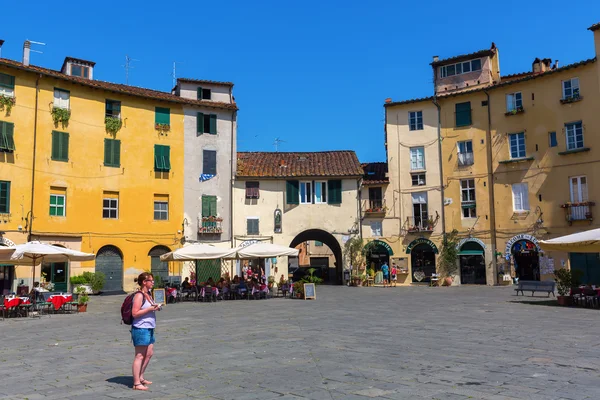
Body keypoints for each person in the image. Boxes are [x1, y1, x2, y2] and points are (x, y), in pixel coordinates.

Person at [131, 272, 161, 391]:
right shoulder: (139, 295)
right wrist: (149, 309)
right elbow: (135, 313)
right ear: (144, 282)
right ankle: (136, 383)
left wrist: (155, 307)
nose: (153, 282)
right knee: (139, 355)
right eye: (151, 280)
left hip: (149, 327)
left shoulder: (148, 294)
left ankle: (141, 377)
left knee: (149, 353)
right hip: (140, 328)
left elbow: (149, 308)